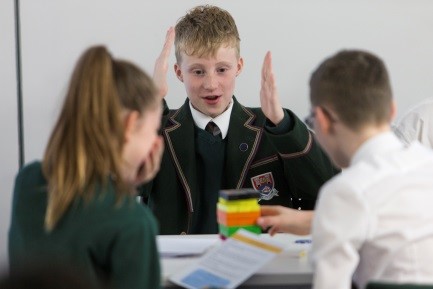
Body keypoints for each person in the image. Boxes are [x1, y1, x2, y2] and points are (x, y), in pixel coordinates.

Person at [140, 5, 338, 235]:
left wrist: (282, 124)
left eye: (222, 69)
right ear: (178, 72)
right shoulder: (157, 129)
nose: (211, 84)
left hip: (260, 264)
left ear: (239, 67)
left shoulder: (273, 128)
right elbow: (117, 184)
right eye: (198, 71)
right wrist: (149, 108)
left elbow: (328, 189)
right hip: (178, 268)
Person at [259, 50, 433, 289]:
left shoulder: (345, 191)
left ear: (322, 120)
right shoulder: (426, 166)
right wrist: (318, 221)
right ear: (391, 110)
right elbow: (394, 222)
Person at [9, 46, 164, 289]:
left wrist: (123, 186)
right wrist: (125, 195)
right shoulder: (134, 224)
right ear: (130, 125)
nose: (157, 142)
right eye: (153, 130)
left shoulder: (28, 181)